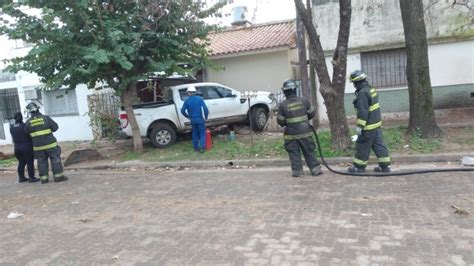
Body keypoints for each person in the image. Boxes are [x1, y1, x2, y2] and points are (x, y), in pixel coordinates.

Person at [277, 79, 322, 177]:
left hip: (291, 135)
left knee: (294, 153)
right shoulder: (304, 101)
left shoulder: (282, 105)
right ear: (294, 90)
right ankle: (315, 170)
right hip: (305, 132)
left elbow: (280, 121)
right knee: (309, 151)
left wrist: (287, 122)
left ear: (285, 91)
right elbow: (312, 113)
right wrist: (304, 120)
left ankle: (297, 172)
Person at [348, 70, 391, 173]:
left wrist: (360, 126)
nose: (353, 85)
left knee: (362, 145)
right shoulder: (371, 89)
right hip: (376, 124)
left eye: (354, 83)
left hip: (368, 127)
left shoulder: (362, 93)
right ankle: (384, 167)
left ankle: (359, 167)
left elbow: (363, 111)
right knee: (379, 145)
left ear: (357, 82)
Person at [24, 102, 68, 184]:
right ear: (37, 108)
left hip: (38, 147)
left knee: (41, 162)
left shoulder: (28, 122)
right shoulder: (46, 118)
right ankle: (58, 177)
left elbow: (26, 133)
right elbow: (55, 127)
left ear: (29, 111)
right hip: (51, 144)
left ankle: (44, 179)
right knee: (55, 159)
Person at [9, 112, 39, 183]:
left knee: (21, 162)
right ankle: (31, 178)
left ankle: (21, 178)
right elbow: (29, 135)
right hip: (26, 147)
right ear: (21, 117)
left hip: (17, 147)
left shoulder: (11, 127)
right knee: (29, 162)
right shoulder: (24, 126)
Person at [180, 86, 209, 152]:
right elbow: (205, 109)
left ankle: (196, 149)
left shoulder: (187, 101)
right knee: (202, 133)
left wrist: (187, 116)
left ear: (189, 93)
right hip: (200, 119)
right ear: (195, 92)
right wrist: (206, 117)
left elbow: (182, 110)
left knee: (195, 133)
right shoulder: (200, 99)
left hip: (192, 120)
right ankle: (202, 148)